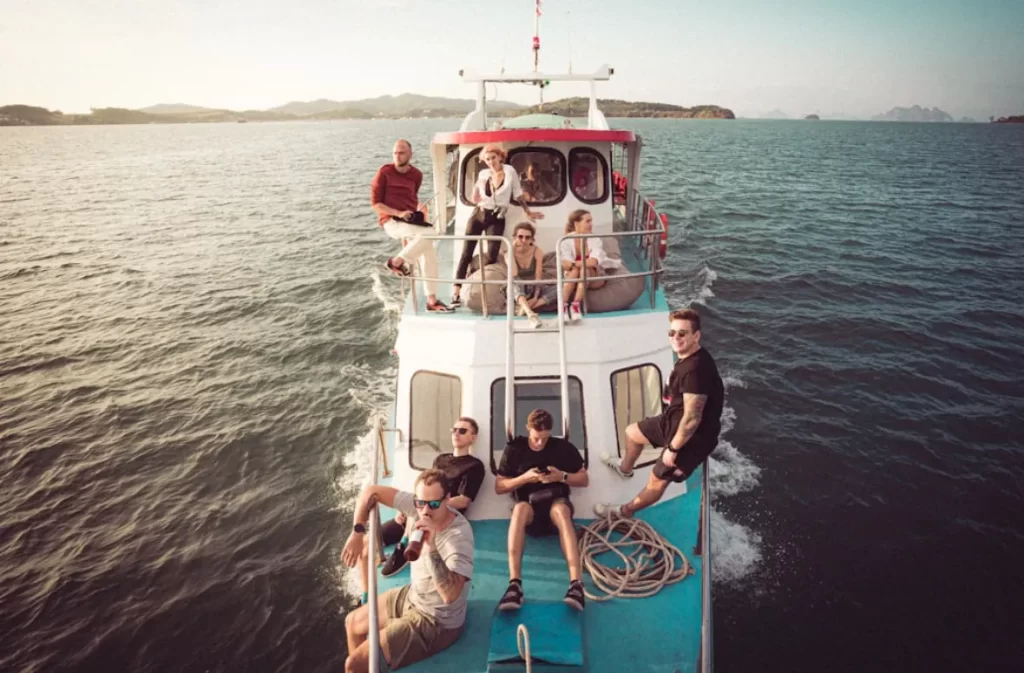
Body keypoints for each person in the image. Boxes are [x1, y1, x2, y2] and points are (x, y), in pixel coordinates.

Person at [341, 469, 474, 673]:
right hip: (414, 596)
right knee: (352, 623)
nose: (425, 511)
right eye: (420, 503)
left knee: (353, 664)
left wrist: (431, 547)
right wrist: (358, 532)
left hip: (436, 621)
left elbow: (450, 595)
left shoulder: (458, 536)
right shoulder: (417, 507)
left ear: (448, 499)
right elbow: (371, 491)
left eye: (434, 504)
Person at [595, 309, 724, 519]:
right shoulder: (689, 356)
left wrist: (673, 449)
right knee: (632, 433)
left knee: (655, 482)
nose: (676, 338)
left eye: (682, 333)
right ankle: (625, 469)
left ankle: (623, 512)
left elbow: (692, 419)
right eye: (672, 333)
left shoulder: (695, 371)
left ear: (696, 336)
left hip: (690, 439)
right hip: (673, 420)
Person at [357, 417, 485, 597]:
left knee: (419, 514)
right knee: (366, 543)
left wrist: (433, 504)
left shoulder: (474, 466)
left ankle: (404, 544)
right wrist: (409, 507)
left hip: (441, 516)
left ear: (473, 437)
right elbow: (424, 487)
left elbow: (464, 500)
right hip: (422, 509)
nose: (456, 433)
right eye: (454, 429)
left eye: (462, 431)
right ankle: (364, 597)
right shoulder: (441, 459)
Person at [495, 409, 589, 611]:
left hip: (556, 502)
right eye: (537, 438)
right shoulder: (515, 449)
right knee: (519, 510)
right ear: (528, 428)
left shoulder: (562, 448)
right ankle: (514, 585)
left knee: (562, 512)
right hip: (528, 506)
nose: (539, 443)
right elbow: (499, 486)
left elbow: (584, 479)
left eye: (544, 439)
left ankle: (576, 584)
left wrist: (561, 477)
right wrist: (525, 478)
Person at [451, 145, 543, 307]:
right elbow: (475, 197)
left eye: (493, 157)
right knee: (466, 252)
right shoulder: (483, 174)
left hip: (497, 217)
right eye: (487, 159)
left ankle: (472, 270)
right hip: (478, 215)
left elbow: (517, 194)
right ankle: (456, 291)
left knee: (492, 255)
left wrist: (528, 212)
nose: (491, 162)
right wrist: (475, 195)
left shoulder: (510, 171)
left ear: (500, 157)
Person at [371, 139, 452, 313]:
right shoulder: (384, 172)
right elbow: (376, 204)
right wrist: (398, 213)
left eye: (401, 152)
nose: (397, 156)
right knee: (431, 233)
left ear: (410, 154)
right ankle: (397, 261)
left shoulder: (417, 175)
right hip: (391, 221)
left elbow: (411, 199)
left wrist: (417, 214)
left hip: (410, 221)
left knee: (428, 250)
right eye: (395, 153)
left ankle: (431, 300)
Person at [558, 209, 622, 322]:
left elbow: (593, 262)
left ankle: (575, 306)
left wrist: (573, 264)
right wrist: (572, 265)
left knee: (584, 270)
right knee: (575, 271)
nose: (591, 224)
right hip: (574, 275)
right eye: (587, 221)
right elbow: (565, 264)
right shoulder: (566, 240)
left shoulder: (595, 239)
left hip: (595, 276)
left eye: (591, 221)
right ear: (577, 224)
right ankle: (563, 307)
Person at [503, 222, 558, 329]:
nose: (524, 240)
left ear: (532, 239)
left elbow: (538, 276)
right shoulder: (508, 253)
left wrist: (536, 297)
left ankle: (525, 309)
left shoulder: (537, 251)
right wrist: (512, 249)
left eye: (527, 237)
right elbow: (514, 273)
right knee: (514, 281)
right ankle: (530, 313)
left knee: (560, 287)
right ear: (514, 237)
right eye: (520, 237)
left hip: (532, 287)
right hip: (517, 289)